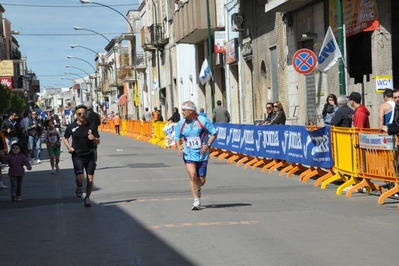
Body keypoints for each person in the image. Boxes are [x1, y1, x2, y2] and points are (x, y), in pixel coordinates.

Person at [175, 101, 217, 210]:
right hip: (188, 153)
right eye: (182, 109)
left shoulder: (203, 121)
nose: (182, 112)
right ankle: (196, 201)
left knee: (201, 180)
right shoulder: (181, 123)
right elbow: (177, 136)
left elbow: (214, 133)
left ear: (191, 111)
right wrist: (179, 147)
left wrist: (207, 145)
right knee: (192, 175)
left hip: (202, 154)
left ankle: (197, 189)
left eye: (184, 110)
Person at [63, 105, 100, 207]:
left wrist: (93, 138)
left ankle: (87, 198)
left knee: (90, 179)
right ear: (76, 114)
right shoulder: (71, 127)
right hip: (77, 156)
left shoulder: (91, 126)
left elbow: (98, 141)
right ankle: (79, 185)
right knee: (81, 178)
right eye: (79, 114)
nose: (82, 115)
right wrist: (69, 147)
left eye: (84, 113)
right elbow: (65, 138)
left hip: (90, 155)